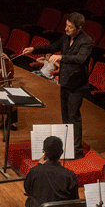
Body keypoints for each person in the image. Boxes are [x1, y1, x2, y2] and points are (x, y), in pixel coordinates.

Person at [22, 12, 93, 158]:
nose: (66, 29)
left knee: (74, 116)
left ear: (79, 28)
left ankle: (77, 150)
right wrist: (34, 49)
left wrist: (61, 57)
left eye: (70, 27)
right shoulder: (66, 37)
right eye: (66, 25)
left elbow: (80, 59)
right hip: (65, 81)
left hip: (77, 85)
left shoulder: (86, 41)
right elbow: (53, 46)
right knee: (65, 116)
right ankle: (67, 145)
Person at [23, 136, 79, 207]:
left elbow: (27, 190)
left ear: (44, 153)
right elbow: (75, 199)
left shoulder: (35, 171)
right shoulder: (70, 175)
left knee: (30, 200)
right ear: (62, 153)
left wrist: (38, 166)